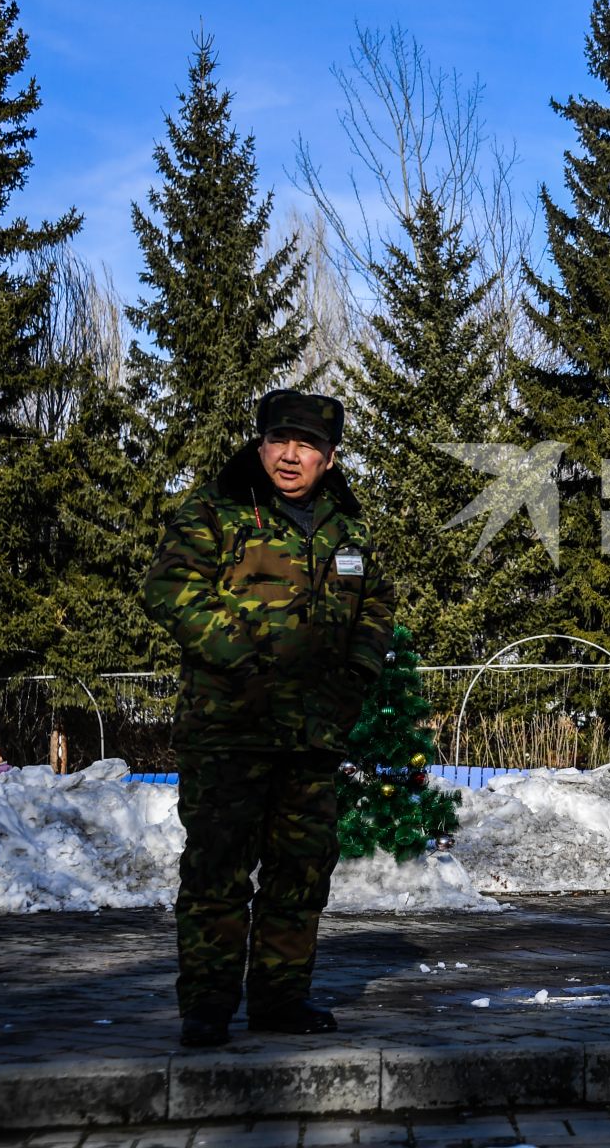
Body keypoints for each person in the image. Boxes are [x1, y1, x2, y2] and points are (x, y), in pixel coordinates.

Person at [144, 389, 395, 1048]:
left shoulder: (348, 528)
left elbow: (375, 607)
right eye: (280, 440)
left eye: (307, 444)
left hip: (312, 734)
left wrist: (356, 678)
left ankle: (281, 999)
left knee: (302, 870)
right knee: (217, 871)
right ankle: (207, 1006)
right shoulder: (217, 509)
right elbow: (171, 589)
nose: (291, 454)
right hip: (229, 726)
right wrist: (245, 660)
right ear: (260, 447)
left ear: (330, 458)